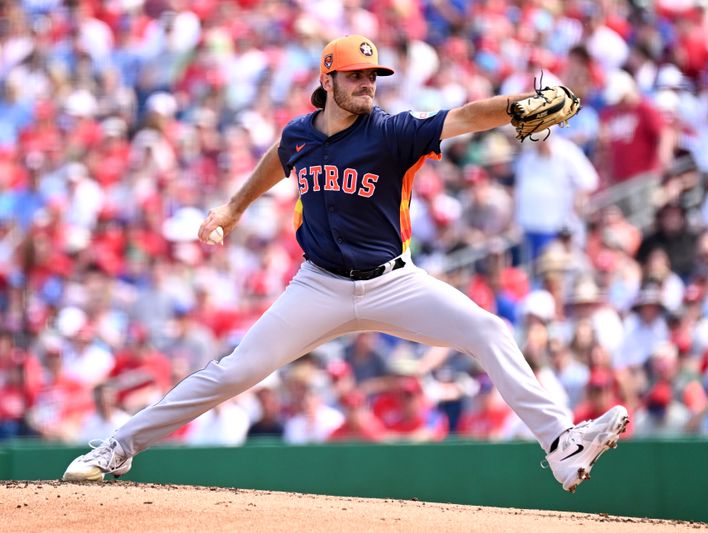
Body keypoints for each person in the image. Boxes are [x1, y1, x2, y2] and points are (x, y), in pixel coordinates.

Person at [62, 35, 628, 493]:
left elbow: (464, 117)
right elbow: (278, 158)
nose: (366, 84)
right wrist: (234, 207)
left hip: (393, 282)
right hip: (319, 287)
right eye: (356, 75)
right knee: (232, 372)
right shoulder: (301, 136)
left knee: (488, 330)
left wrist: (513, 108)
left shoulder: (392, 131)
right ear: (327, 80)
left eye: (372, 76)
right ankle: (117, 448)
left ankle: (561, 444)